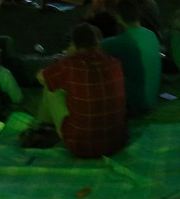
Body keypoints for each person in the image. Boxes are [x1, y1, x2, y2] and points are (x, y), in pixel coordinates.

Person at [30, 22, 127, 158]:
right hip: (116, 142)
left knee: (50, 87)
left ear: (74, 45)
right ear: (97, 43)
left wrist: (67, 56)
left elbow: (41, 77)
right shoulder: (114, 63)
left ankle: (39, 125)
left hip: (81, 146)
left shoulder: (69, 65)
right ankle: (42, 125)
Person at [99, 0, 162, 116]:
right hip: (152, 99)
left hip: (137, 106)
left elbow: (89, 49)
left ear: (118, 17)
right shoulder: (151, 35)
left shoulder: (121, 42)